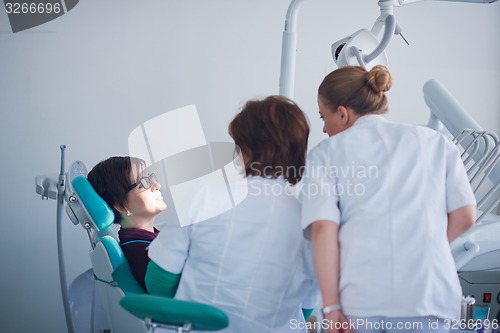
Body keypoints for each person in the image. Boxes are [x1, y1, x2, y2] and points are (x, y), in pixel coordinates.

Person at [301, 65, 476, 333]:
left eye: (323, 117)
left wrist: (331, 308)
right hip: (429, 296)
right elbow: (465, 216)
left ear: (342, 113)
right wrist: (421, 247)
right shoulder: (436, 142)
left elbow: (324, 229)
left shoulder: (324, 154)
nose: (323, 129)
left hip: (362, 302)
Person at [145, 96, 319, 332]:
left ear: (246, 148)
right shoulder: (312, 222)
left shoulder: (204, 197)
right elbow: (306, 305)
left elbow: (159, 280)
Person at [87, 156, 167, 291]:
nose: (156, 185)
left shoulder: (148, 239)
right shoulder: (140, 250)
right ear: (121, 206)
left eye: (151, 177)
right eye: (143, 182)